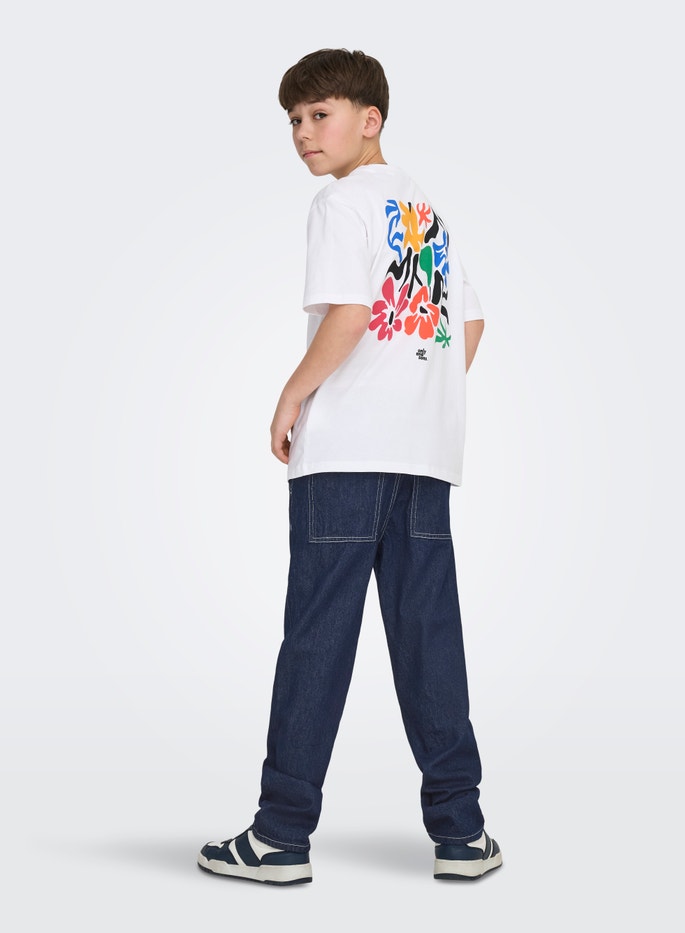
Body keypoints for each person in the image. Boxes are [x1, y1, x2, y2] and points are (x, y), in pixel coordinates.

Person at [197, 48, 502, 886]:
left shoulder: (342, 201)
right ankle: (462, 833)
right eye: (294, 120)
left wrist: (292, 395)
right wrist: (418, 395)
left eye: (319, 114)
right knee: (428, 635)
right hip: (422, 457)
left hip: (344, 459)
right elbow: (470, 324)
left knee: (319, 636)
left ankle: (280, 835)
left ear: (370, 120)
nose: (303, 132)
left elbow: (352, 312)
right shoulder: (426, 212)